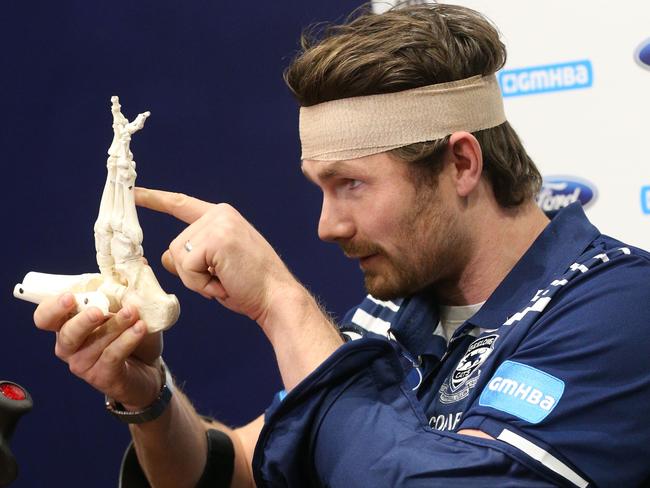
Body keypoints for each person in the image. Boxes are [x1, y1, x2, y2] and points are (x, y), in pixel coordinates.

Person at [32, 3, 650, 487]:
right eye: (320, 187)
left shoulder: (619, 308)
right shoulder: (397, 310)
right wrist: (149, 399)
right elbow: (239, 469)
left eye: (351, 183)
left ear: (462, 163)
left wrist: (281, 301)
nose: (328, 226)